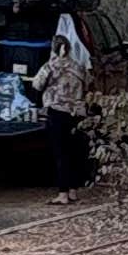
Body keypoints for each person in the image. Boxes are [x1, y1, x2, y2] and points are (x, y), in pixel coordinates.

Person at [34, 15, 94, 187]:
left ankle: (63, 193)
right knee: (75, 152)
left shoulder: (50, 67)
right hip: (77, 113)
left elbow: (37, 85)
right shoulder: (78, 67)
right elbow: (89, 83)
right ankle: (74, 189)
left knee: (61, 154)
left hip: (57, 112)